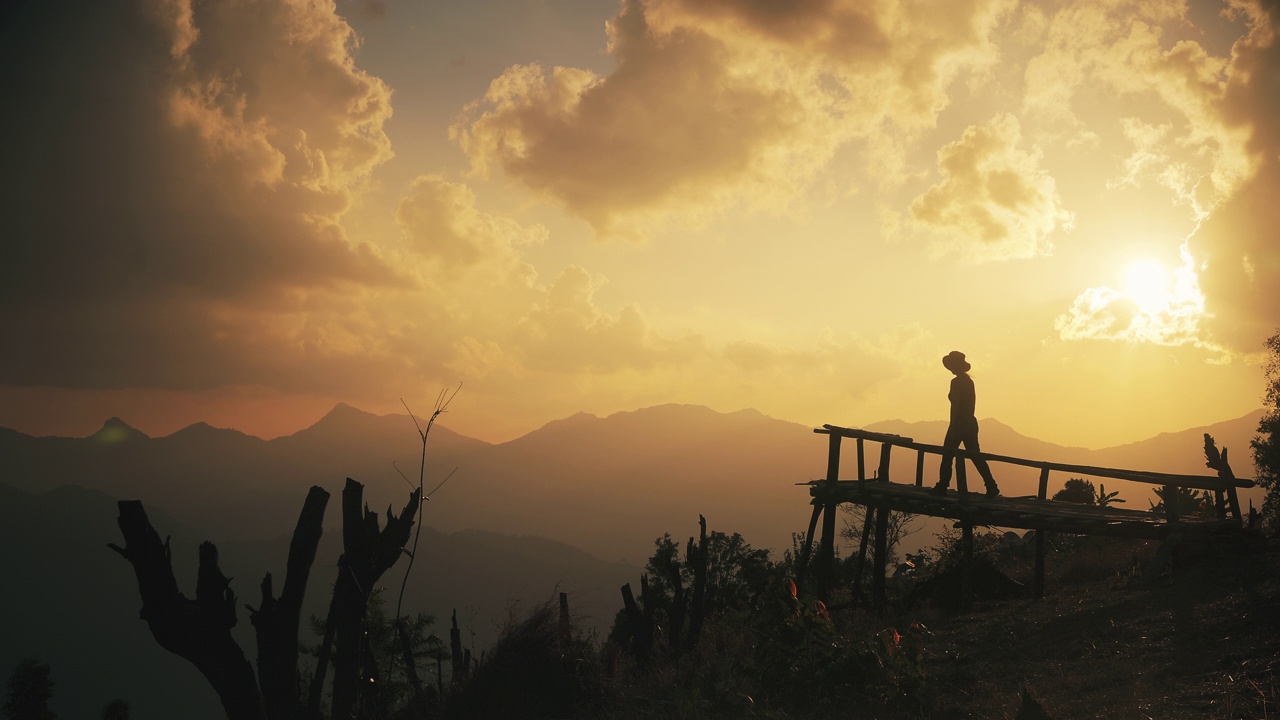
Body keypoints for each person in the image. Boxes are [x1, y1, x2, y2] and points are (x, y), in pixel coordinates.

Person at [930, 351, 999, 498]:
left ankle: (942, 486)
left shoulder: (956, 382)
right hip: (970, 422)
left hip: (959, 423)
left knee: (947, 455)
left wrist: (953, 425)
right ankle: (991, 485)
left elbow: (956, 405)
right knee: (975, 455)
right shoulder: (969, 381)